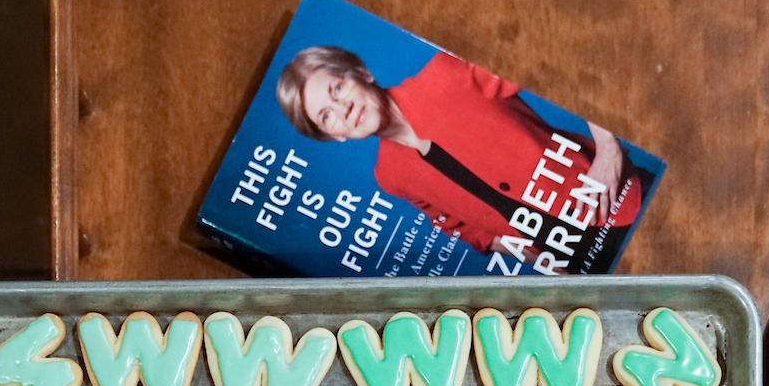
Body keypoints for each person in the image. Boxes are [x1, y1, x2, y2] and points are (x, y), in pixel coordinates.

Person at [276, 45, 650, 273]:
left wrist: (608, 148)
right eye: (326, 116)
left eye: (337, 88)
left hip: (623, 202)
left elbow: (559, 61)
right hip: (577, 263)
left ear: (361, 72)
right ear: (335, 136)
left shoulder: (447, 74)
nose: (341, 108)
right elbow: (468, 229)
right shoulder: (389, 176)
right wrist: (542, 260)